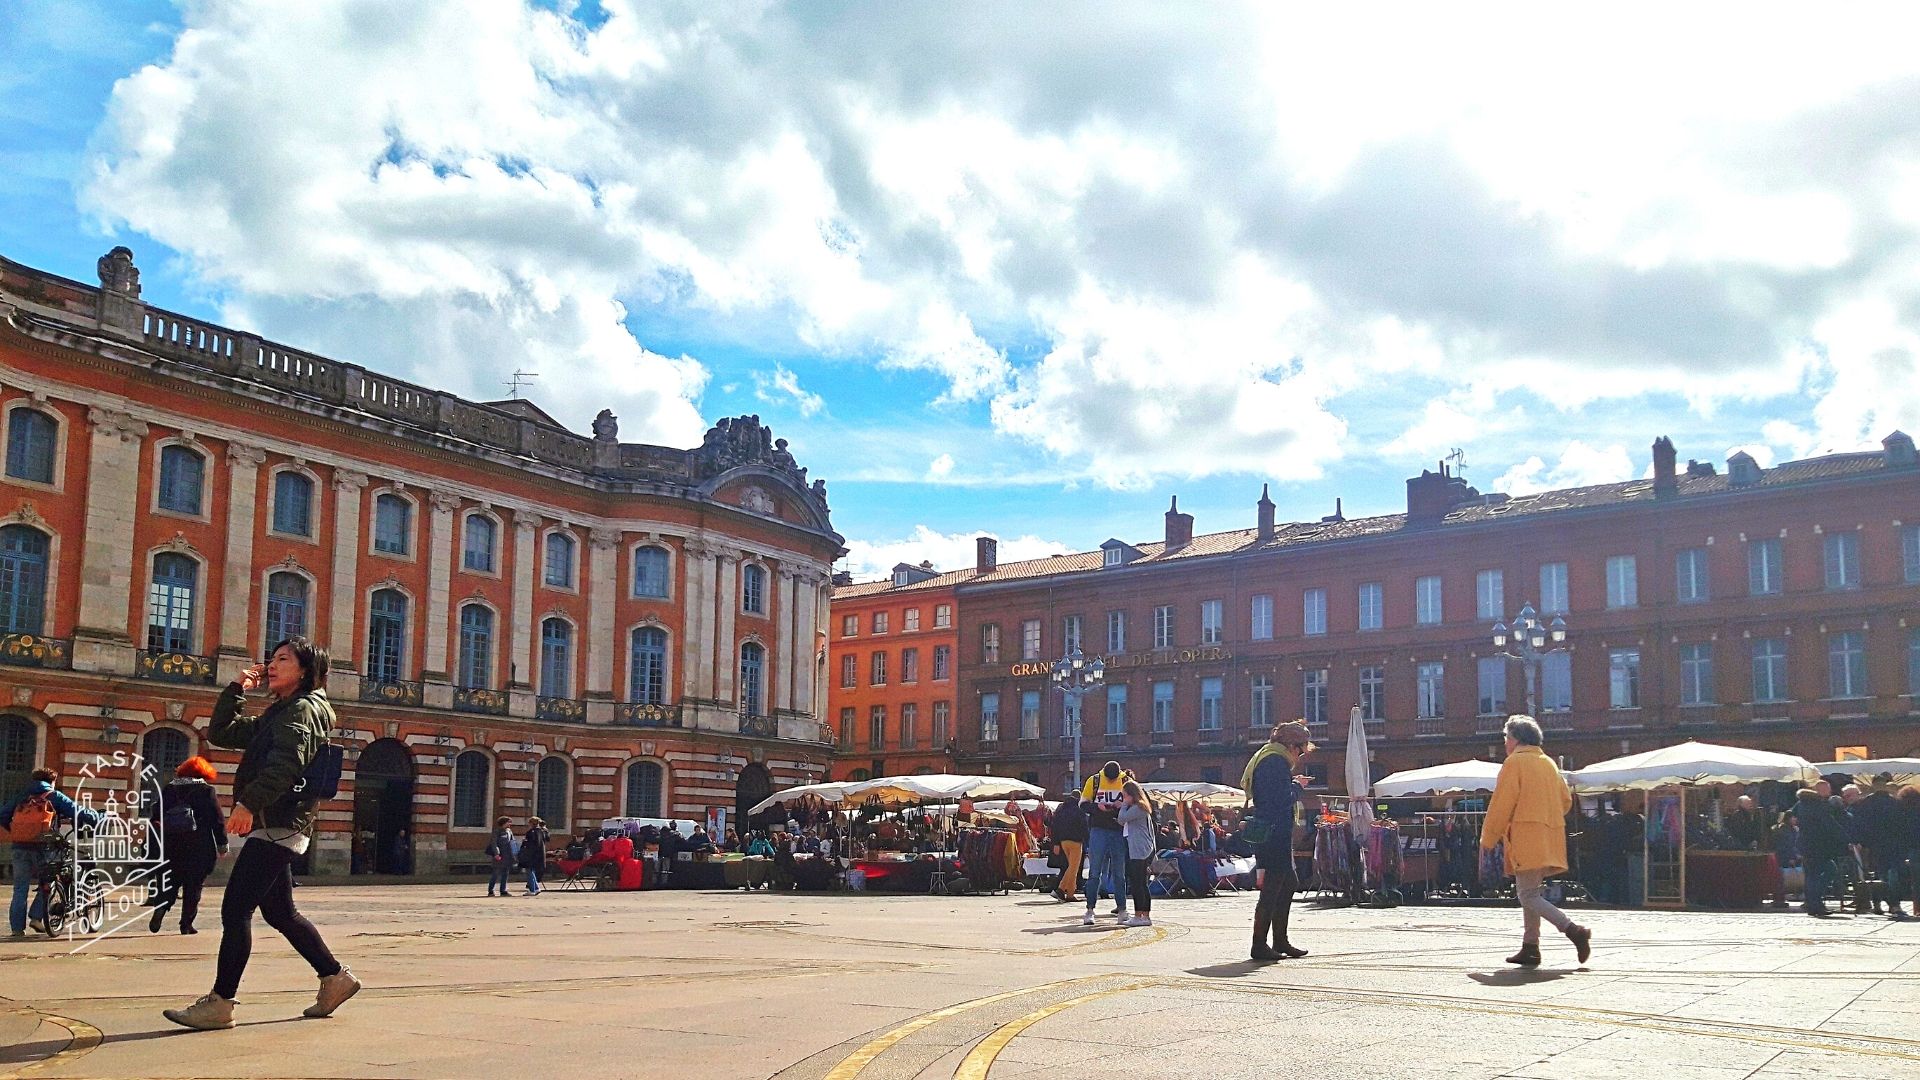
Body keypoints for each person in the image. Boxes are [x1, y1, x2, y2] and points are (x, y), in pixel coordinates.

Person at [164, 637, 356, 1031]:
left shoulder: (302, 709)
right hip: (279, 821)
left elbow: (287, 763)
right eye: (272, 659)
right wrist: (237, 690)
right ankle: (335, 978)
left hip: (279, 821)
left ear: (304, 670)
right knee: (280, 912)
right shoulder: (281, 711)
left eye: (283, 659)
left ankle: (221, 1002)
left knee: (236, 909)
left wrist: (248, 804)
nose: (272, 665)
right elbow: (222, 732)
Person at [1482, 716, 1591, 968]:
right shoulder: (1548, 763)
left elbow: (1502, 804)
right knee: (1532, 891)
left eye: (1506, 737)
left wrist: (1488, 838)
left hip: (1526, 837)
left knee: (1527, 895)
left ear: (1516, 739)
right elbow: (1565, 801)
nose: (1505, 743)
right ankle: (1530, 947)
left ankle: (1574, 930)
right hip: (1549, 836)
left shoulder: (1514, 763)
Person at [1244, 720, 1312, 961]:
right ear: (1291, 745)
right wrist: (1297, 786)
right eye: (1301, 749)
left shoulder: (1271, 758)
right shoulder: (1275, 761)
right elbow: (1281, 798)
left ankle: (1279, 941)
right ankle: (1260, 944)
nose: (1301, 755)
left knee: (1288, 884)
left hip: (1274, 833)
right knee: (1273, 888)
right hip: (1274, 834)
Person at [3, 767, 99, 937]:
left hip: (19, 846)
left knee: (20, 889)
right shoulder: (53, 796)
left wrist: (19, 831)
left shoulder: (21, 796)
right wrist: (99, 817)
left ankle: (17, 929)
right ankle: (36, 917)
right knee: (51, 880)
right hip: (45, 847)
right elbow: (78, 812)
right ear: (52, 781)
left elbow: (3, 815)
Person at [146, 756, 229, 935]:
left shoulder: (169, 789)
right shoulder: (206, 791)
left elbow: (155, 815)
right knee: (193, 886)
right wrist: (222, 844)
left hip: (170, 844)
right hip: (199, 846)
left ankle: (161, 909)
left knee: (169, 882)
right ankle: (186, 924)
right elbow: (217, 819)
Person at [1079, 761, 1131, 926]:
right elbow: (1083, 804)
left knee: (1119, 874)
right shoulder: (1094, 781)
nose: (1111, 781)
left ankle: (1122, 909)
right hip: (1099, 829)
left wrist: (1121, 806)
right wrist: (1097, 807)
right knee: (1095, 872)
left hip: (1117, 830)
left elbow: (1136, 802)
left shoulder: (1125, 781)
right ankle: (1090, 909)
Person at [1793, 787, 1847, 917]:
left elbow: (1792, 817)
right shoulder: (1819, 806)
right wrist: (1845, 838)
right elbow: (1830, 824)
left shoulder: (1800, 806)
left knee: (1811, 876)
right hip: (1819, 845)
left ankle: (1813, 904)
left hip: (1805, 845)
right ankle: (1816, 901)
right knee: (1829, 870)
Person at [1117, 782, 1155, 927]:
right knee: (1142, 883)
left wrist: (1123, 805)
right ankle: (1145, 915)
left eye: (1125, 795)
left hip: (1139, 849)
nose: (1124, 798)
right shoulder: (1142, 807)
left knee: (1137, 883)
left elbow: (1121, 819)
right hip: (1142, 848)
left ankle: (1139, 915)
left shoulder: (1138, 807)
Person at [1049, 796, 1088, 903]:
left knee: (1071, 867)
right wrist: (1088, 842)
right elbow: (1084, 827)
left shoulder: (1060, 811)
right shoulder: (1079, 811)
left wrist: (1056, 843)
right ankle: (1061, 890)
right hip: (1076, 841)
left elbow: (1055, 827)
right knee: (1073, 868)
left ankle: (1070, 893)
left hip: (1063, 842)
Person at [485, 817, 516, 897]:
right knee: (495, 873)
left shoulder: (509, 831)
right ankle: (491, 890)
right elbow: (494, 843)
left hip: (508, 855)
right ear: (503, 823)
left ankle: (503, 890)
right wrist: (496, 854)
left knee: (505, 873)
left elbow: (512, 842)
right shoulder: (497, 831)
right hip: (499, 855)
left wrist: (515, 853)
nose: (510, 824)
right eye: (508, 822)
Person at [519, 816, 550, 895]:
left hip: (531, 854)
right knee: (532, 871)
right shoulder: (542, 831)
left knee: (529, 871)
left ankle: (532, 889)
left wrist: (525, 842)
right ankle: (536, 888)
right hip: (539, 854)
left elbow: (531, 844)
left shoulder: (531, 832)